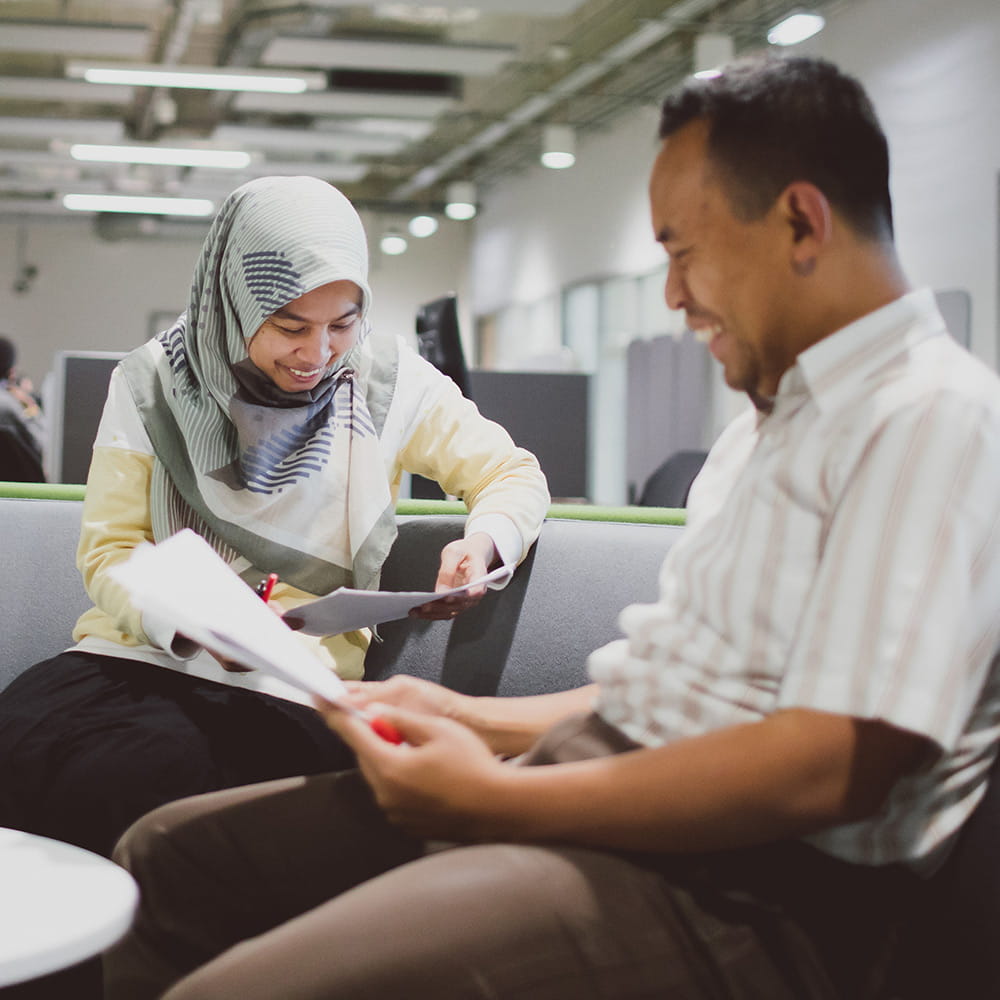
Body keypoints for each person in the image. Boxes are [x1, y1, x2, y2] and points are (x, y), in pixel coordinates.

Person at [104, 55, 1000, 1000]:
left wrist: (502, 800)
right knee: (167, 856)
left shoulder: (931, 418)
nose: (672, 296)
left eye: (683, 252)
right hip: (609, 791)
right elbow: (684, 698)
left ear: (802, 223)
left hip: (737, 884)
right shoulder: (773, 424)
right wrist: (468, 719)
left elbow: (831, 766)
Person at [0, 176, 550, 863]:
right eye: (290, 327)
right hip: (133, 658)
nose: (317, 355)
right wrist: (193, 621)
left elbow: (511, 472)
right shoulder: (152, 383)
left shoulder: (388, 383)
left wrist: (485, 541)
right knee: (26, 750)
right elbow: (110, 552)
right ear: (235, 300)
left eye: (342, 324)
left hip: (292, 686)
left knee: (154, 790)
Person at [0, 334, 46, 482]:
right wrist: (31, 407)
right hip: (13, 489)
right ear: (11, 371)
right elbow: (43, 444)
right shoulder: (10, 405)